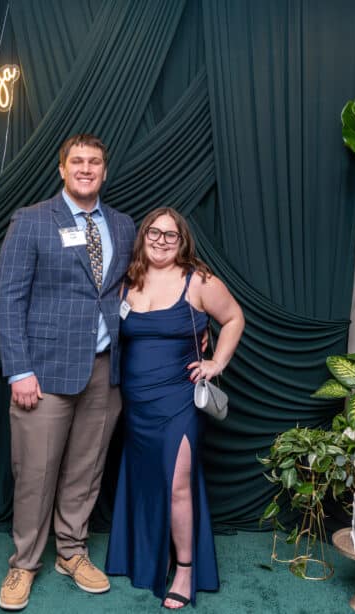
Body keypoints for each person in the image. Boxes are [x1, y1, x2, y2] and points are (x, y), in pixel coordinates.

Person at [0, 134, 136, 611]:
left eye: (94, 162)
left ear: (104, 171)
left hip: (104, 370)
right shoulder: (32, 220)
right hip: (44, 372)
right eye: (77, 161)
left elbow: (134, 286)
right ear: (62, 169)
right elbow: (9, 298)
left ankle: (71, 552)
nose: (86, 168)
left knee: (86, 469)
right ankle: (24, 563)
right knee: (35, 473)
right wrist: (19, 370)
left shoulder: (123, 225)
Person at [105, 207, 245, 609]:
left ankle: (185, 568)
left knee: (178, 485)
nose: (161, 241)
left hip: (178, 400)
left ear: (182, 241)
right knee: (148, 480)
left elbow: (234, 318)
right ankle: (154, 556)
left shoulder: (198, 281)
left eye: (171, 235)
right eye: (154, 232)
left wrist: (216, 362)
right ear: (143, 236)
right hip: (136, 402)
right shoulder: (127, 281)